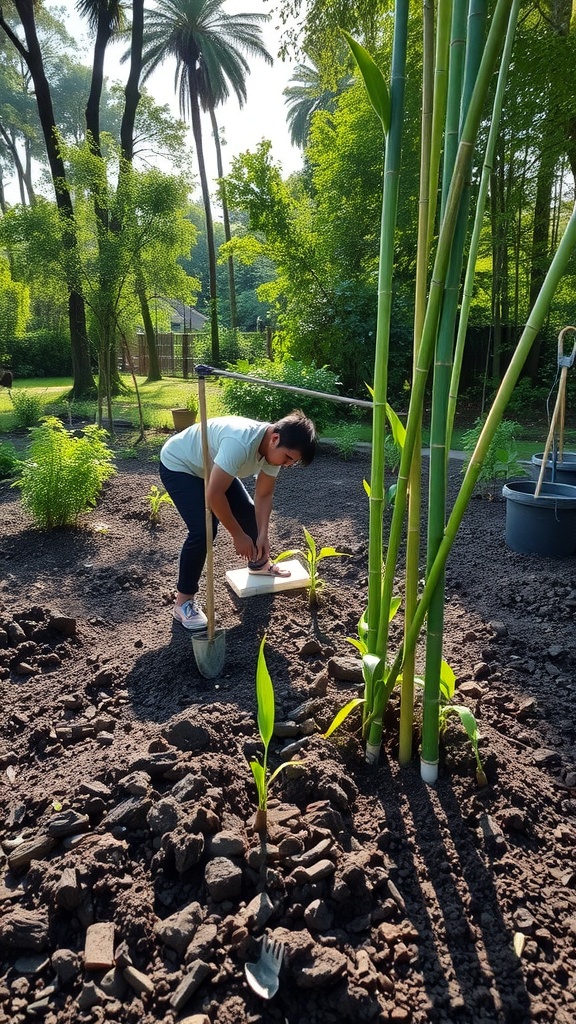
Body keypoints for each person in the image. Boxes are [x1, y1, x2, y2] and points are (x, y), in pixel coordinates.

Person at [159, 409, 317, 630]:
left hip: (212, 465)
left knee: (248, 510)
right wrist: (238, 535)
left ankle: (260, 564)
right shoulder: (240, 443)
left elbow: (263, 495)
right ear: (275, 438)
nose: (288, 464)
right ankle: (183, 603)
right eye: (288, 458)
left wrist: (263, 536)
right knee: (203, 530)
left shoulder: (274, 450)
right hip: (180, 464)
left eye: (293, 461)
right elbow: (214, 494)